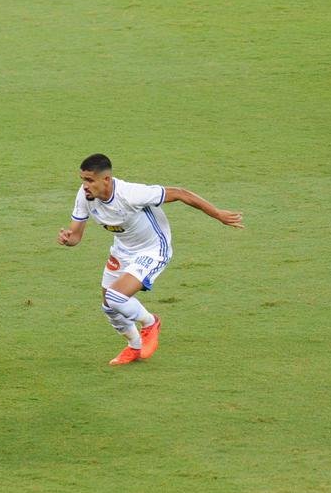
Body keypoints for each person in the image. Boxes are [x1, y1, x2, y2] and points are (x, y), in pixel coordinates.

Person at [57, 153, 244, 365]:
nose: (85, 186)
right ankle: (134, 347)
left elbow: (180, 193)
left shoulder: (131, 194)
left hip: (152, 250)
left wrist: (218, 214)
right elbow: (76, 236)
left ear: (106, 180)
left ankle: (150, 322)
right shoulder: (85, 197)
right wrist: (67, 239)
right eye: (83, 180)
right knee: (108, 306)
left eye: (90, 180)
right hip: (122, 250)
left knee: (116, 297)